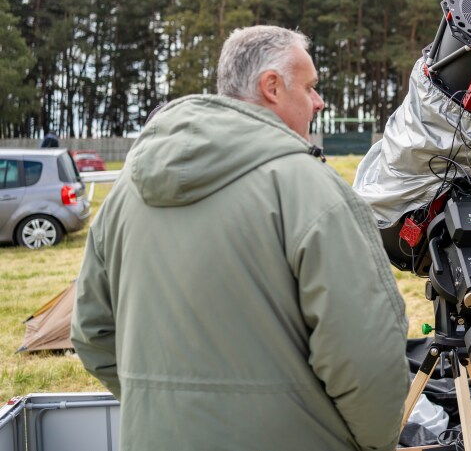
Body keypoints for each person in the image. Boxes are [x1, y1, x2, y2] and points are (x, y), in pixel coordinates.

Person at [71, 25, 410, 451]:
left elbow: (91, 331)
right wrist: (371, 442)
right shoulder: (312, 190)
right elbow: (367, 358)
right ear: (272, 87)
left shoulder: (124, 193)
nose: (319, 101)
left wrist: (165, 406)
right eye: (309, 88)